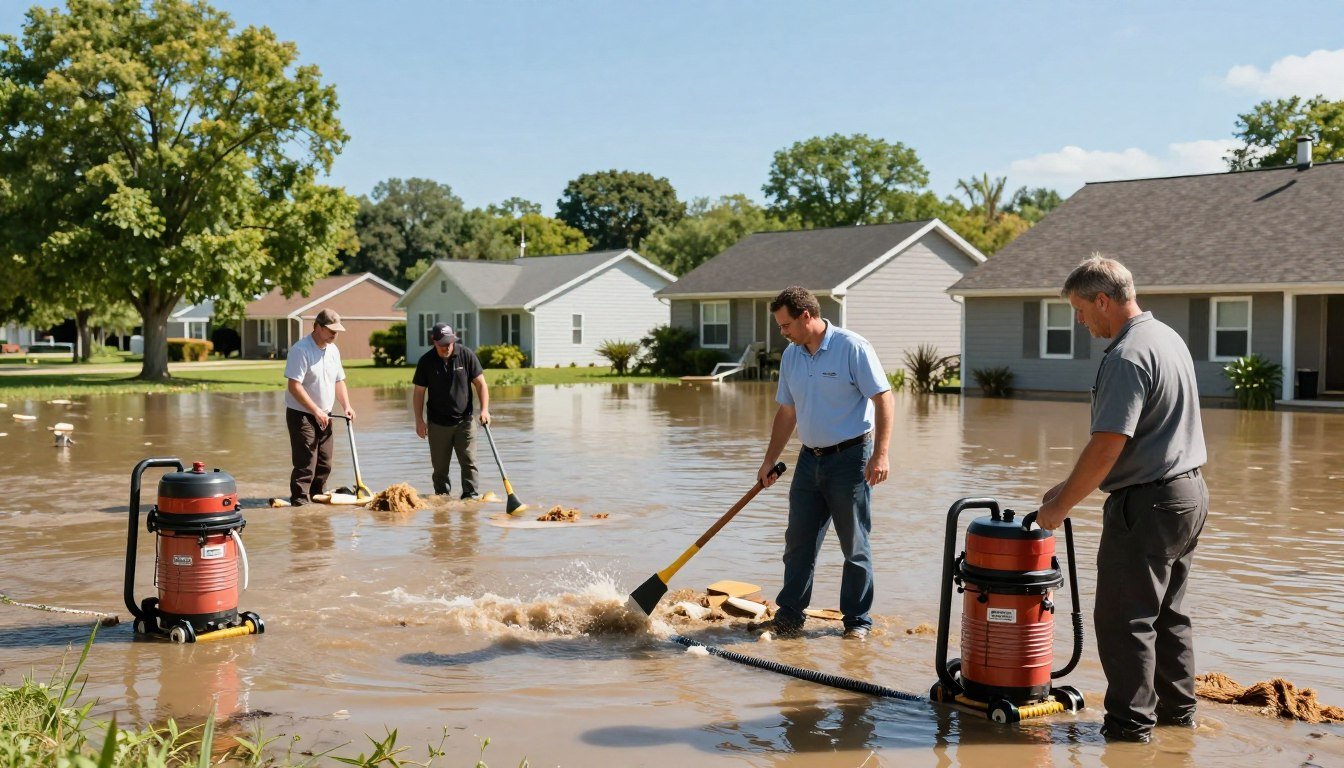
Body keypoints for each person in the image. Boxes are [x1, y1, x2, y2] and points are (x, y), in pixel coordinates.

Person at [1035, 255, 1208, 743]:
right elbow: (1139, 436)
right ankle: (1179, 721)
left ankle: (1129, 734)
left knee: (1123, 619)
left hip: (1149, 504)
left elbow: (1109, 442)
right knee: (1168, 614)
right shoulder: (1166, 337)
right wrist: (1065, 487)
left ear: (1103, 300)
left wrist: (1059, 506)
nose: (1080, 320)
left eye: (1081, 309)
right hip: (1188, 493)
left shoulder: (1127, 355)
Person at [753, 285, 894, 641]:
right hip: (807, 460)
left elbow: (884, 398)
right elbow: (787, 412)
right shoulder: (792, 356)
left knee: (854, 544)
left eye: (785, 325)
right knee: (798, 540)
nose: (782, 333)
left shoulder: (852, 347)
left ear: (806, 316)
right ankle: (789, 617)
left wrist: (881, 453)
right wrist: (770, 459)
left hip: (850, 459)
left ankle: (857, 622)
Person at [284, 308, 355, 506]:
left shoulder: (333, 350)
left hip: (325, 414)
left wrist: (346, 406)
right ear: (317, 327)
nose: (335, 334)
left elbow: (339, 381)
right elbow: (294, 386)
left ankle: (316, 498)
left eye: (337, 330)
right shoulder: (301, 350)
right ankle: (299, 501)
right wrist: (315, 411)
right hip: (302, 415)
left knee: (325, 462)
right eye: (331, 330)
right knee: (307, 462)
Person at [412, 322, 491, 499]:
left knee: (469, 463)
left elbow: (481, 384)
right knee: (440, 469)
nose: (447, 347)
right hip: (437, 424)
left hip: (465, 421)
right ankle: (442, 500)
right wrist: (419, 420)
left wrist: (484, 410)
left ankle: (470, 498)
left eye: (450, 343)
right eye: (443, 344)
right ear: (434, 341)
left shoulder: (466, 355)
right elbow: (418, 392)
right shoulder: (426, 361)